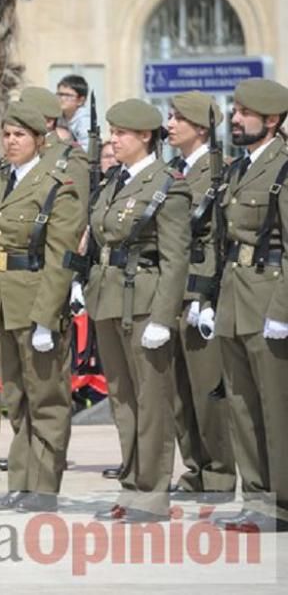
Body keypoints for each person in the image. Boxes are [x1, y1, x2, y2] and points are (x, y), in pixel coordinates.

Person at [85, 98, 191, 523]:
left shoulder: (168, 184)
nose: (113, 140)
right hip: (109, 297)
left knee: (151, 402)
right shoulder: (115, 181)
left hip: (146, 302)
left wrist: (164, 318)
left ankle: (152, 493)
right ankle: (131, 486)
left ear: (145, 137)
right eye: (111, 132)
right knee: (122, 400)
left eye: (121, 133)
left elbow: (176, 258)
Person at [0, 102, 83, 513]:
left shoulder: (58, 183)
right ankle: (21, 481)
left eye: (19, 135)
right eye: (6, 134)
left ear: (40, 139)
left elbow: (60, 257)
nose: (10, 141)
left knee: (47, 400)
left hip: (36, 300)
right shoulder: (1, 180)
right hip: (2, 301)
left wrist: (46, 318)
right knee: (17, 398)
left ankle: (44, 486)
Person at [212, 78, 288, 532]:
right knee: (242, 407)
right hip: (234, 299)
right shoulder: (239, 169)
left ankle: (281, 504)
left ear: (272, 120)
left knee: (277, 408)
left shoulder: (283, 168)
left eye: (243, 112)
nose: (234, 119)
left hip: (269, 298)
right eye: (235, 110)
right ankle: (257, 500)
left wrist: (281, 310)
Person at [164, 91, 236, 503]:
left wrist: (204, 295)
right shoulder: (172, 170)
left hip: (199, 292)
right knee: (179, 391)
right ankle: (194, 469)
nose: (169, 124)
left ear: (202, 128)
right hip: (170, 291)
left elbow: (218, 240)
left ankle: (220, 475)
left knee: (208, 390)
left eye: (178, 118)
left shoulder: (218, 171)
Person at [56, 74, 91, 148]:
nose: (62, 99)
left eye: (67, 95)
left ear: (81, 101)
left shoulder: (85, 121)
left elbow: (87, 148)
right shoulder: (58, 116)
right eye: (60, 94)